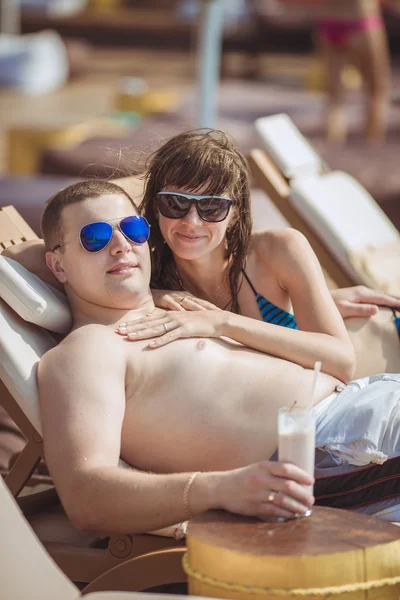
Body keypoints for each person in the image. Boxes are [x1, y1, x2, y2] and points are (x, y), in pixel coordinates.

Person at [27, 180, 400, 533]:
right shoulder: (87, 351)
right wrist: (219, 489)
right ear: (57, 265)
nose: (122, 245)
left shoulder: (184, 307)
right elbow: (86, 496)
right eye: (95, 237)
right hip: (341, 449)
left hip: (369, 406)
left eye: (133, 229)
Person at [114, 129, 400, 380]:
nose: (192, 221)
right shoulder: (145, 276)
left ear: (235, 214)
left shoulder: (277, 250)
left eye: (212, 207)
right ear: (155, 205)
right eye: (175, 203)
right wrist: (156, 296)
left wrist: (223, 323)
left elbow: (341, 363)